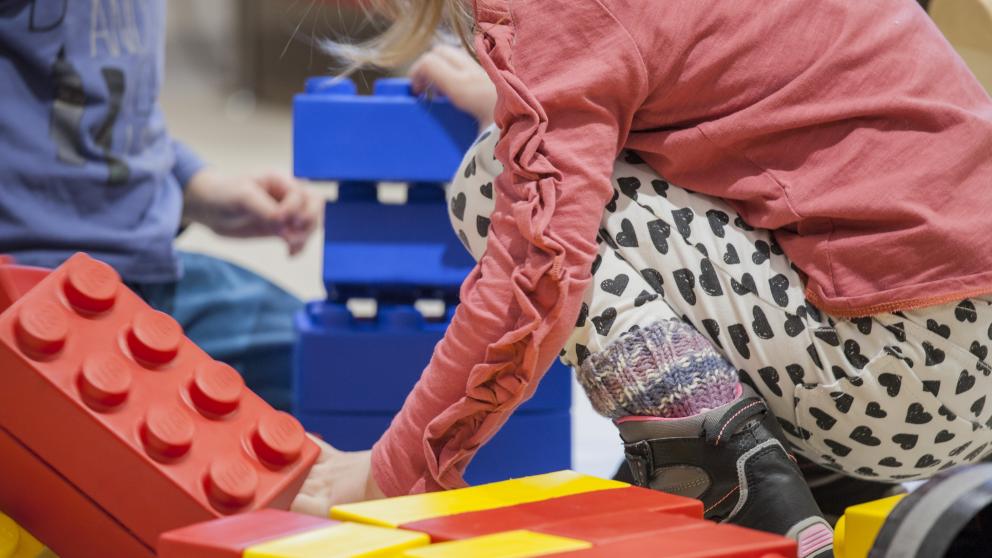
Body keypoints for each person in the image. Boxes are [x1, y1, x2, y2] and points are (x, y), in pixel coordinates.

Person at [294, 2, 992, 556]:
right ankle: (812, 474)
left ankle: (731, 479)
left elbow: (534, 270)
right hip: (960, 371)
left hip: (901, 381)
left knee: (492, 186)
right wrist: (523, 109)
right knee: (542, 174)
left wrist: (394, 470)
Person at [0, 1, 322, 411]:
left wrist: (196, 186)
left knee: (344, 370)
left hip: (152, 270)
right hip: (34, 287)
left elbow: (110, 96)